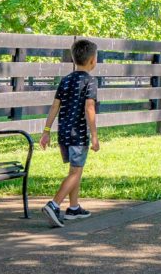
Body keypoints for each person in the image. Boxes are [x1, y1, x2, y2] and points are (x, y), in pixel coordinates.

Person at [39, 39, 100, 228]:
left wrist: (46, 131)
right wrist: (95, 135)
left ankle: (73, 208)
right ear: (92, 60)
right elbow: (89, 108)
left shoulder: (65, 80)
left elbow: (54, 106)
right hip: (78, 134)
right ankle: (54, 204)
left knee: (74, 169)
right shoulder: (90, 81)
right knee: (75, 171)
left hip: (63, 134)